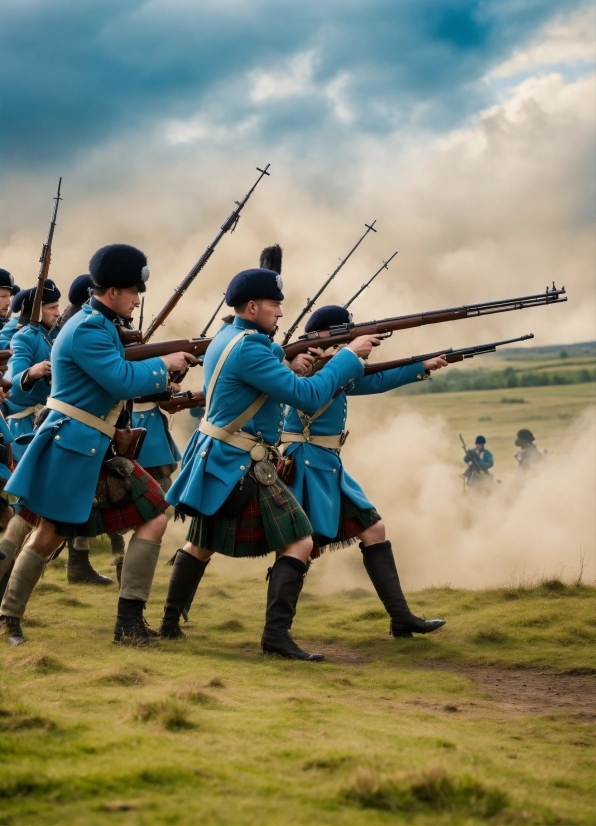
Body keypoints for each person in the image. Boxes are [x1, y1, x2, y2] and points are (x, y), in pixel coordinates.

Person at [162, 268, 382, 660]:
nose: (281, 313)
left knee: (201, 543)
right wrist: (348, 357)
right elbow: (309, 396)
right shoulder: (250, 347)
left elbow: (268, 377)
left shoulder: (231, 337)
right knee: (300, 541)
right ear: (253, 306)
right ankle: (275, 638)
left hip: (220, 456)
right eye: (275, 304)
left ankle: (168, 623)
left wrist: (289, 365)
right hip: (240, 460)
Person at [0, 243, 193, 646]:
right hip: (71, 445)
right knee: (47, 535)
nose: (138, 299)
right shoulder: (89, 328)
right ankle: (8, 620)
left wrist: (161, 367)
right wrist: (164, 366)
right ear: (114, 292)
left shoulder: (100, 324)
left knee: (156, 515)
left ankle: (129, 623)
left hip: (98, 445)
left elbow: (119, 372)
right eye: (134, 292)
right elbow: (121, 380)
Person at [280, 304, 447, 638]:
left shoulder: (334, 368)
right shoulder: (306, 370)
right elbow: (319, 390)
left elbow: (376, 380)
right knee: (299, 547)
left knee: (373, 530)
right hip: (305, 463)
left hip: (326, 464)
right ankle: (277, 633)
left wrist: (421, 366)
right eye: (344, 335)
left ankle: (401, 618)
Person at [3, 280, 61, 461]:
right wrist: (31, 374)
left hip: (50, 420)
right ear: (37, 310)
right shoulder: (24, 337)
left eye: (57, 306)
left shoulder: (54, 335)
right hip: (26, 426)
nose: (58, 313)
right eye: (52, 307)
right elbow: (12, 387)